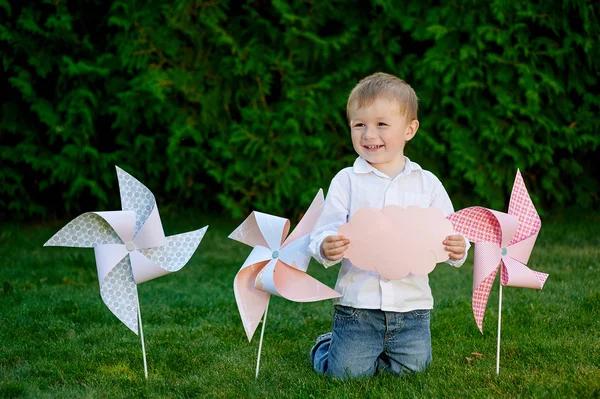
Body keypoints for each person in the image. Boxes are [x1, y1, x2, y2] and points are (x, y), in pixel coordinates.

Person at [308, 72, 470, 379]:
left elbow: (451, 232)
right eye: (359, 125)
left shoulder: (427, 184)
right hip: (358, 306)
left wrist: (458, 248)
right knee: (347, 375)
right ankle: (326, 347)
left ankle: (374, 355)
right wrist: (326, 245)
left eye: (382, 124)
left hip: (412, 307)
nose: (369, 134)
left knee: (415, 370)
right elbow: (323, 232)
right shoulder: (346, 181)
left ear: (410, 129)